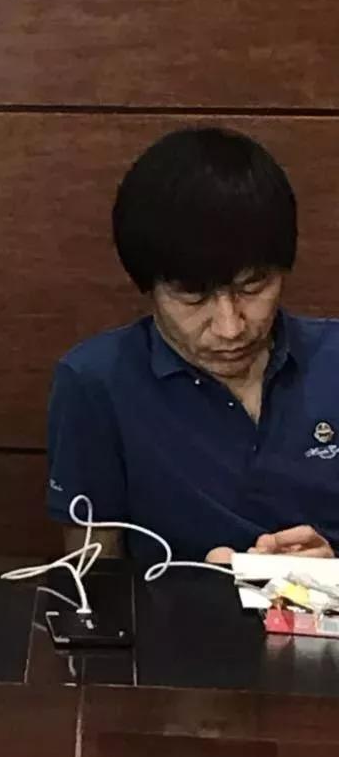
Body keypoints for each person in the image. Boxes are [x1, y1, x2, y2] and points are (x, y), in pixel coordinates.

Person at [47, 126, 339, 564]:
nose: (230, 327)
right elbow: (91, 578)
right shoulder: (96, 382)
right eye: (192, 297)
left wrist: (329, 578)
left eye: (252, 287)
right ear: (148, 285)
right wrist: (194, 591)